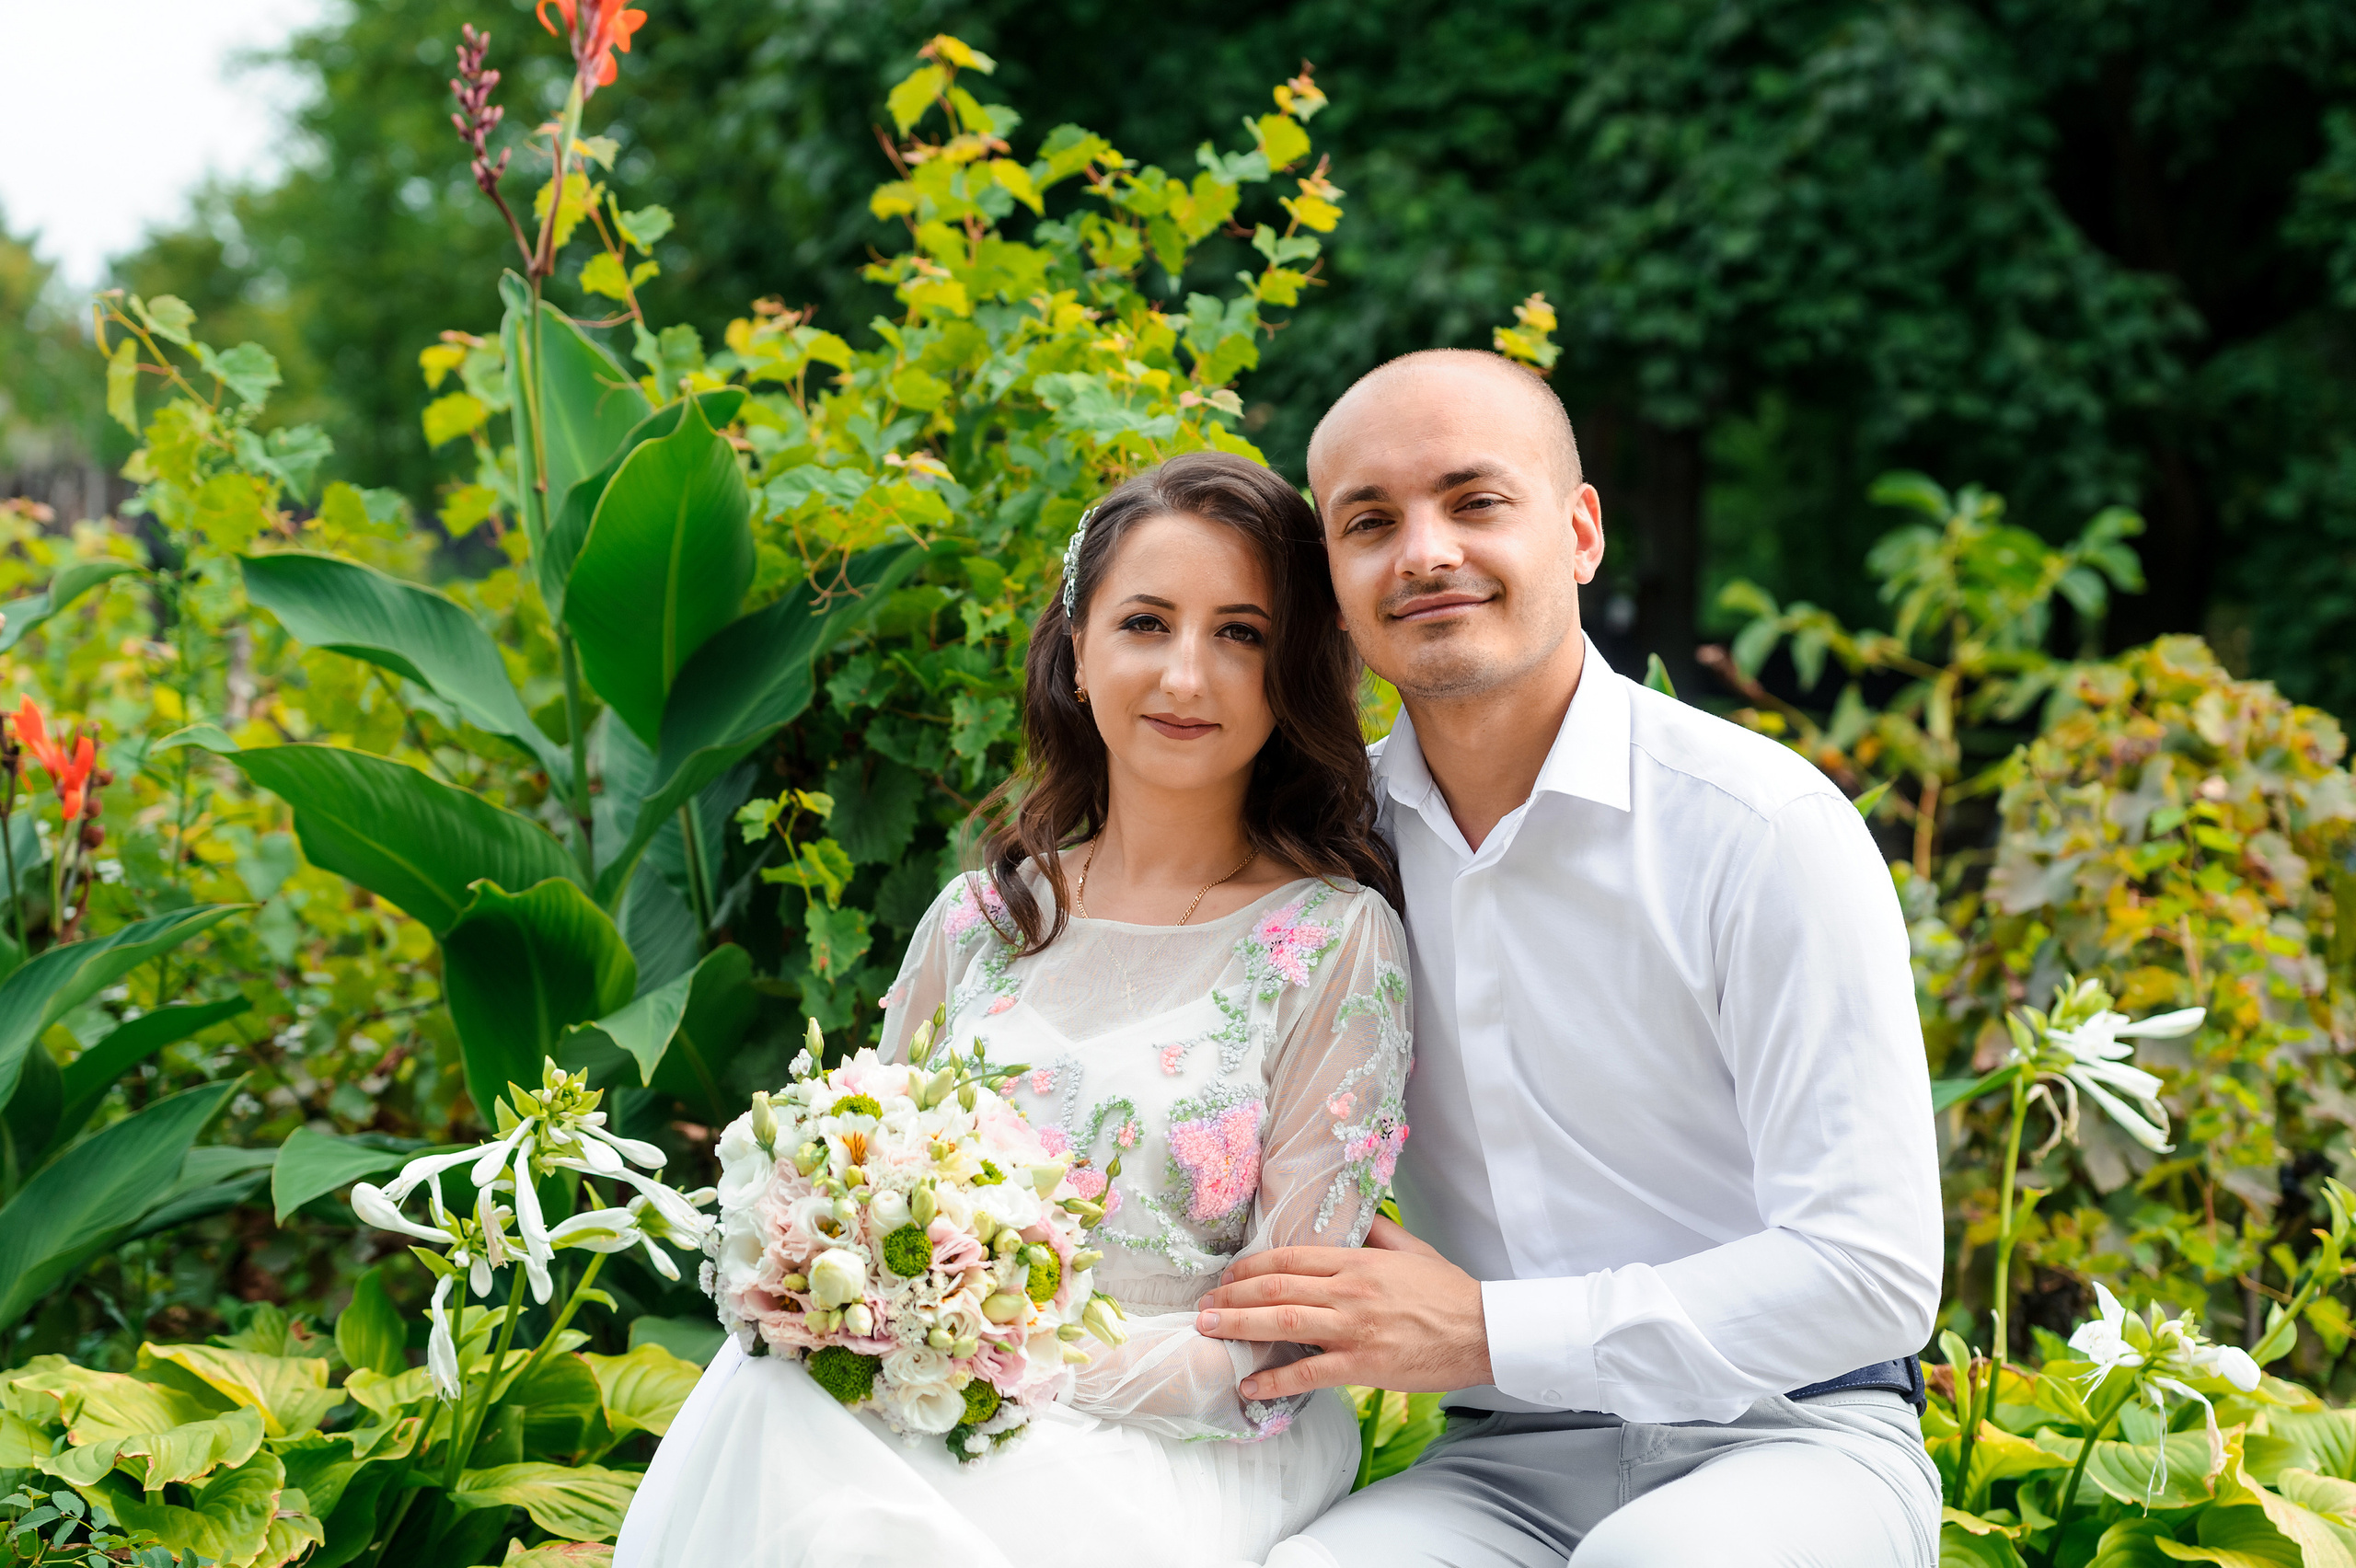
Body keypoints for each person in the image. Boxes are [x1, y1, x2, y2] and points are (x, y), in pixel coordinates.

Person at [1193, 350, 1946, 1566]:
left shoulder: (1757, 828)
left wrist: (1488, 1330)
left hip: (1796, 1439)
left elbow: (1869, 1272)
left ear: (1580, 532)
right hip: (1506, 1464)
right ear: (1330, 585)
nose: (1425, 552)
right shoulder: (1324, 867)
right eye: (1369, 523)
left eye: (1475, 501)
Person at [614, 451, 1413, 1568]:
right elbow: (864, 1179)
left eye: (1241, 634)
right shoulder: (980, 920)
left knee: (811, 1458)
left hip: (1198, 1442)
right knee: (777, 1398)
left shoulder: (1333, 940)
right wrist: (877, 1320)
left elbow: (1284, 1345)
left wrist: (978, 1353)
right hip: (939, 1402)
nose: (1187, 675)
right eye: (1146, 623)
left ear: (1292, 674)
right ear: (1077, 654)